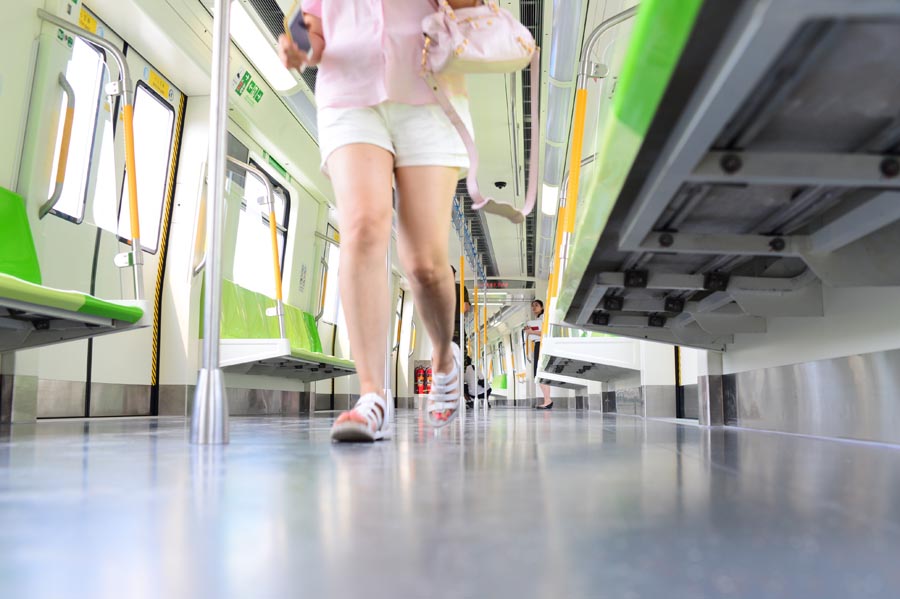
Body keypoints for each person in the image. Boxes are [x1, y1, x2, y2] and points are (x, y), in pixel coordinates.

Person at [278, 0, 481, 442]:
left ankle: (444, 357)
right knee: (364, 224)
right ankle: (372, 395)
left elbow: (472, 8)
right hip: (349, 95)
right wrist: (297, 47)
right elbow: (308, 28)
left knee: (424, 265)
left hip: (429, 92)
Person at [526, 299, 552, 409]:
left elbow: (545, 332)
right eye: (532, 306)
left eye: (536, 305)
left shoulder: (544, 318)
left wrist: (531, 332)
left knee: (540, 372)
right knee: (539, 373)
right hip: (538, 344)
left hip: (542, 345)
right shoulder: (537, 319)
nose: (534, 308)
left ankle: (548, 400)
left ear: (542, 307)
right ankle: (547, 399)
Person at [451, 265, 471, 348]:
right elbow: (466, 307)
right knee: (459, 351)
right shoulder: (461, 288)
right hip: (457, 325)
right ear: (454, 275)